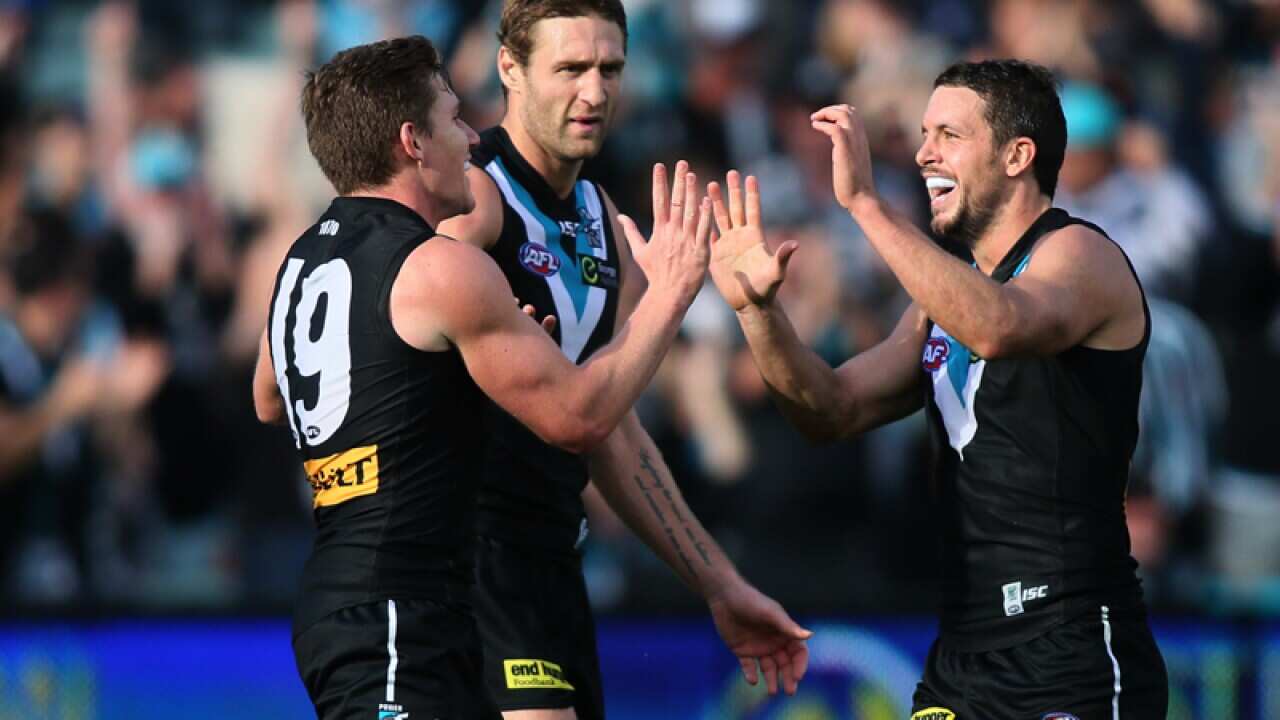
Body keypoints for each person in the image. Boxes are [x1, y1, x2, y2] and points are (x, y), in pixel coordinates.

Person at [253, 35, 712, 720]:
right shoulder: (440, 266)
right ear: (412, 141)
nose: (472, 138)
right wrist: (670, 294)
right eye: (454, 119)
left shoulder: (303, 259)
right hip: (399, 610)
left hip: (363, 597)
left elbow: (268, 395)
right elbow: (580, 417)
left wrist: (440, 375)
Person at [706, 59, 1168, 718]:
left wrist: (866, 205)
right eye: (924, 134)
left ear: (1017, 156)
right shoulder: (943, 298)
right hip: (962, 654)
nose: (925, 153)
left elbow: (1000, 326)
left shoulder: (1080, 255)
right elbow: (830, 409)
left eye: (949, 135)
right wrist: (758, 313)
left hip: (1070, 648)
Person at [437, 1, 811, 717]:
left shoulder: (601, 216)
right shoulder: (474, 196)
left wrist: (720, 585)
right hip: (468, 562)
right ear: (509, 68)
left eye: (610, 68)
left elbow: (610, 427)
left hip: (550, 565)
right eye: (570, 68)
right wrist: (669, 296)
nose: (595, 91)